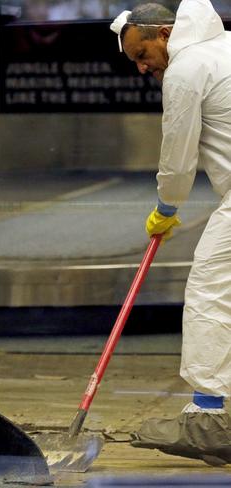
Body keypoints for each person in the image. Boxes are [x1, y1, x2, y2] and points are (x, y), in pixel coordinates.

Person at [111, 0, 231, 465]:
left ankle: (207, 416)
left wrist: (166, 206)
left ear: (164, 34)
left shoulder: (187, 69)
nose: (143, 68)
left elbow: (177, 156)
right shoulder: (225, 48)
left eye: (143, 55)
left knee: (209, 291)